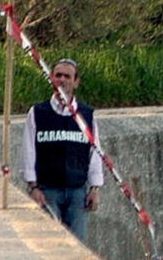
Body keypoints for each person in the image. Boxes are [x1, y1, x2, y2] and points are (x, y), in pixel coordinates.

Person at [19, 58, 104, 243]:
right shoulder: (38, 113)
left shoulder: (87, 115)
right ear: (51, 79)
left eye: (67, 76)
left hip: (77, 193)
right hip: (47, 192)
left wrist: (95, 189)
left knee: (78, 246)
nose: (62, 80)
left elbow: (95, 153)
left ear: (76, 82)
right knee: (48, 244)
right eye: (58, 76)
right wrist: (32, 186)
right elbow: (28, 151)